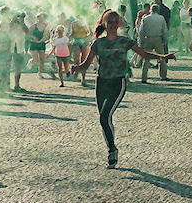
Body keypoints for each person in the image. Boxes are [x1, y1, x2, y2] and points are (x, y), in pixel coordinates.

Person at [71, 10, 175, 168]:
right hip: (101, 83)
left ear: (119, 24)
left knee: (104, 117)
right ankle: (111, 147)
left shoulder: (125, 41)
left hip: (118, 83)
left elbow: (144, 54)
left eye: (115, 21)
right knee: (104, 120)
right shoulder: (97, 43)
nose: (113, 25)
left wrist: (162, 57)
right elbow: (86, 64)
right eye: (110, 22)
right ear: (105, 24)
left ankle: (112, 151)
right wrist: (77, 68)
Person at [137, 3, 170, 83]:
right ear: (158, 10)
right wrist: (165, 40)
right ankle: (163, 75)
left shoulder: (145, 18)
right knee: (161, 57)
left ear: (150, 10)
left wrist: (141, 41)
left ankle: (144, 77)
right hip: (158, 39)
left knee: (146, 58)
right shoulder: (161, 18)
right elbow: (164, 30)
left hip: (148, 38)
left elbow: (141, 31)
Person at [68, 16, 91, 87]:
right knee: (76, 60)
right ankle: (76, 72)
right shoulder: (73, 23)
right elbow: (72, 33)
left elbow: (91, 33)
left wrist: (88, 38)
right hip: (76, 41)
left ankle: (83, 78)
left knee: (84, 60)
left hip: (84, 41)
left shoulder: (86, 22)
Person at [28, 13, 51, 79]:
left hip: (41, 43)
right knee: (36, 59)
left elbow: (48, 36)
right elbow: (28, 33)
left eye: (42, 17)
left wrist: (45, 39)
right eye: (39, 17)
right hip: (34, 43)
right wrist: (33, 37)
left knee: (42, 59)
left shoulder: (46, 27)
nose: (41, 19)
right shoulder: (34, 26)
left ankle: (39, 73)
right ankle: (31, 61)